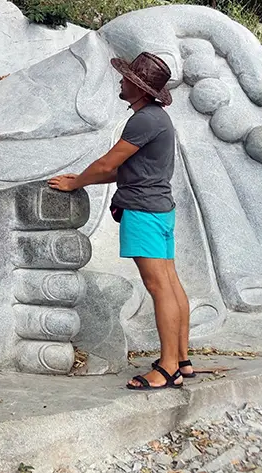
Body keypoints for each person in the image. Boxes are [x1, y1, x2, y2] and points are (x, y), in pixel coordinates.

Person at [49, 52, 192, 390]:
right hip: (158, 208)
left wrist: (76, 183)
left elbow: (106, 163)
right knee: (170, 283)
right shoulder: (157, 118)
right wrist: (82, 179)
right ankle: (182, 360)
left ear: (140, 88)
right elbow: (121, 171)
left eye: (127, 78)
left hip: (144, 212)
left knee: (159, 288)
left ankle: (168, 367)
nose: (121, 81)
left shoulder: (144, 120)